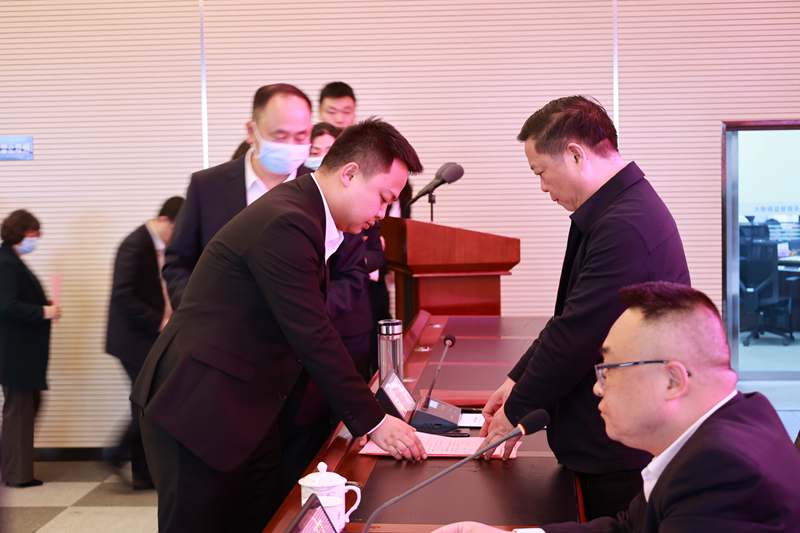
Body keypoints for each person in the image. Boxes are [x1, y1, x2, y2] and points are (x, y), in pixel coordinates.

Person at [131, 119, 427, 533]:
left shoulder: (307, 213)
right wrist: (373, 421)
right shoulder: (288, 221)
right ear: (349, 173)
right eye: (382, 198)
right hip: (197, 406)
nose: (380, 214)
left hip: (242, 408)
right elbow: (312, 333)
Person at [435, 282, 800, 533]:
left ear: (672, 381)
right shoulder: (733, 422)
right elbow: (628, 529)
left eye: (609, 369)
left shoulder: (722, 471)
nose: (597, 387)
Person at [480, 96, 691, 519]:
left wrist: (514, 414)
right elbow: (570, 314)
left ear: (575, 154)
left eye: (541, 172)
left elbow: (578, 334)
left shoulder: (625, 223)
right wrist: (515, 380)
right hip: (610, 438)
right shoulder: (613, 208)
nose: (542, 187)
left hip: (621, 449)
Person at [163, 83, 314, 308]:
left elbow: (347, 273)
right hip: (217, 324)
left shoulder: (321, 189)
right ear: (252, 131)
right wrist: (198, 312)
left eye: (301, 137)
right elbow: (178, 264)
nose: (291, 146)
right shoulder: (207, 187)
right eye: (280, 136)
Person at [105, 196, 184, 489]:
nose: (177, 236)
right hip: (133, 341)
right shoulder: (134, 244)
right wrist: (159, 321)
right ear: (164, 220)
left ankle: (137, 469)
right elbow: (123, 294)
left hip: (150, 338)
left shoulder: (158, 246)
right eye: (176, 229)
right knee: (146, 404)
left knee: (146, 404)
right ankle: (122, 459)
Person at [307, 121, 385, 380]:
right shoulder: (300, 205)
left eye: (328, 150)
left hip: (349, 320)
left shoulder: (357, 208)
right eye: (315, 151)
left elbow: (373, 257)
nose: (321, 157)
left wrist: (360, 262)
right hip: (308, 328)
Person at [0, 210, 61, 488]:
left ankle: (13, 468)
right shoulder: (6, 264)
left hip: (21, 353)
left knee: (26, 407)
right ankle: (17, 475)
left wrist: (44, 307)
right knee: (20, 412)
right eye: (34, 233)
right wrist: (43, 312)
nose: (37, 238)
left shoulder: (12, 261)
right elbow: (7, 306)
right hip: (16, 354)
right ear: (20, 232)